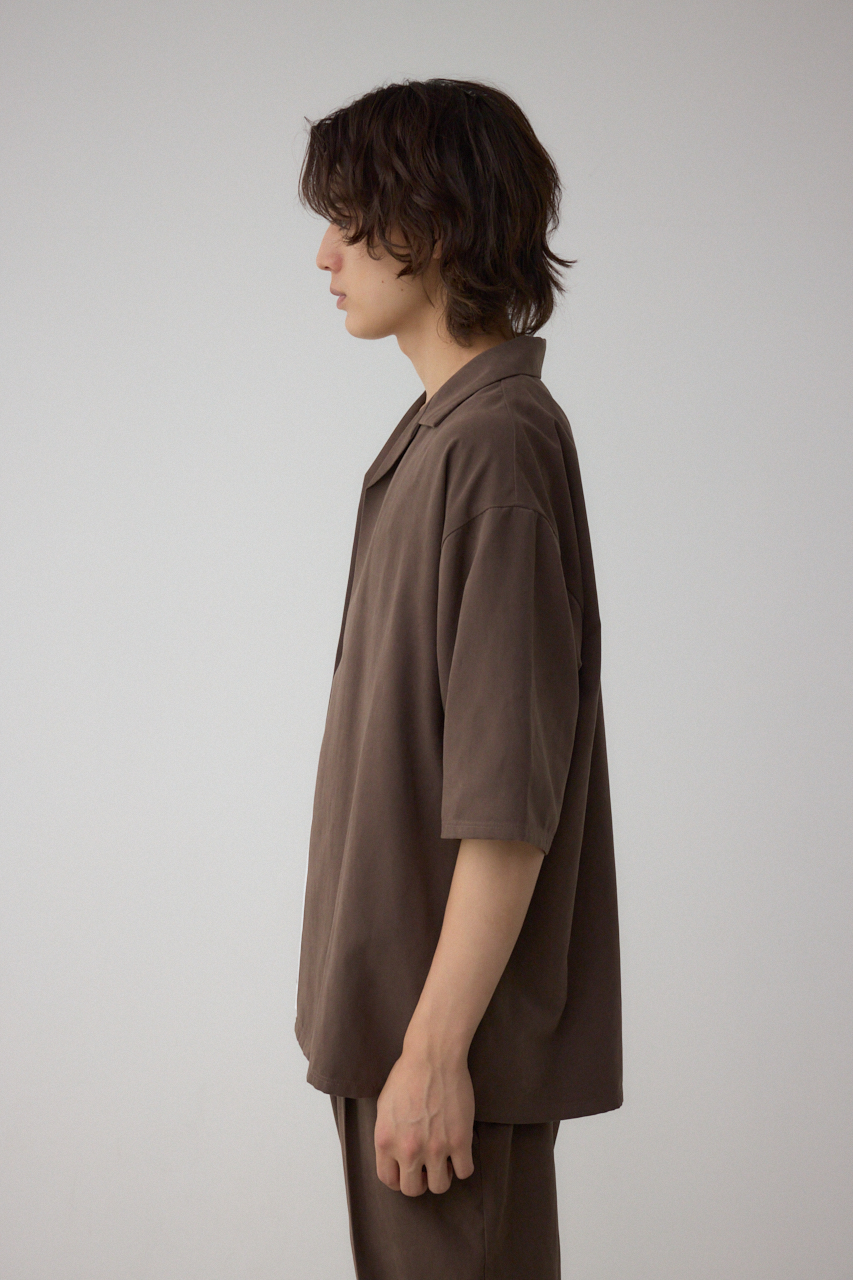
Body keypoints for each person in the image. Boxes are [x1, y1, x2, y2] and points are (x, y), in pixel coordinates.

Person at [294, 77, 622, 1280]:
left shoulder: (494, 451)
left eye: (348, 220)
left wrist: (433, 1050)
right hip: (402, 1039)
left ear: (426, 228)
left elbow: (504, 803)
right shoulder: (440, 438)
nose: (325, 255)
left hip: (444, 1056)